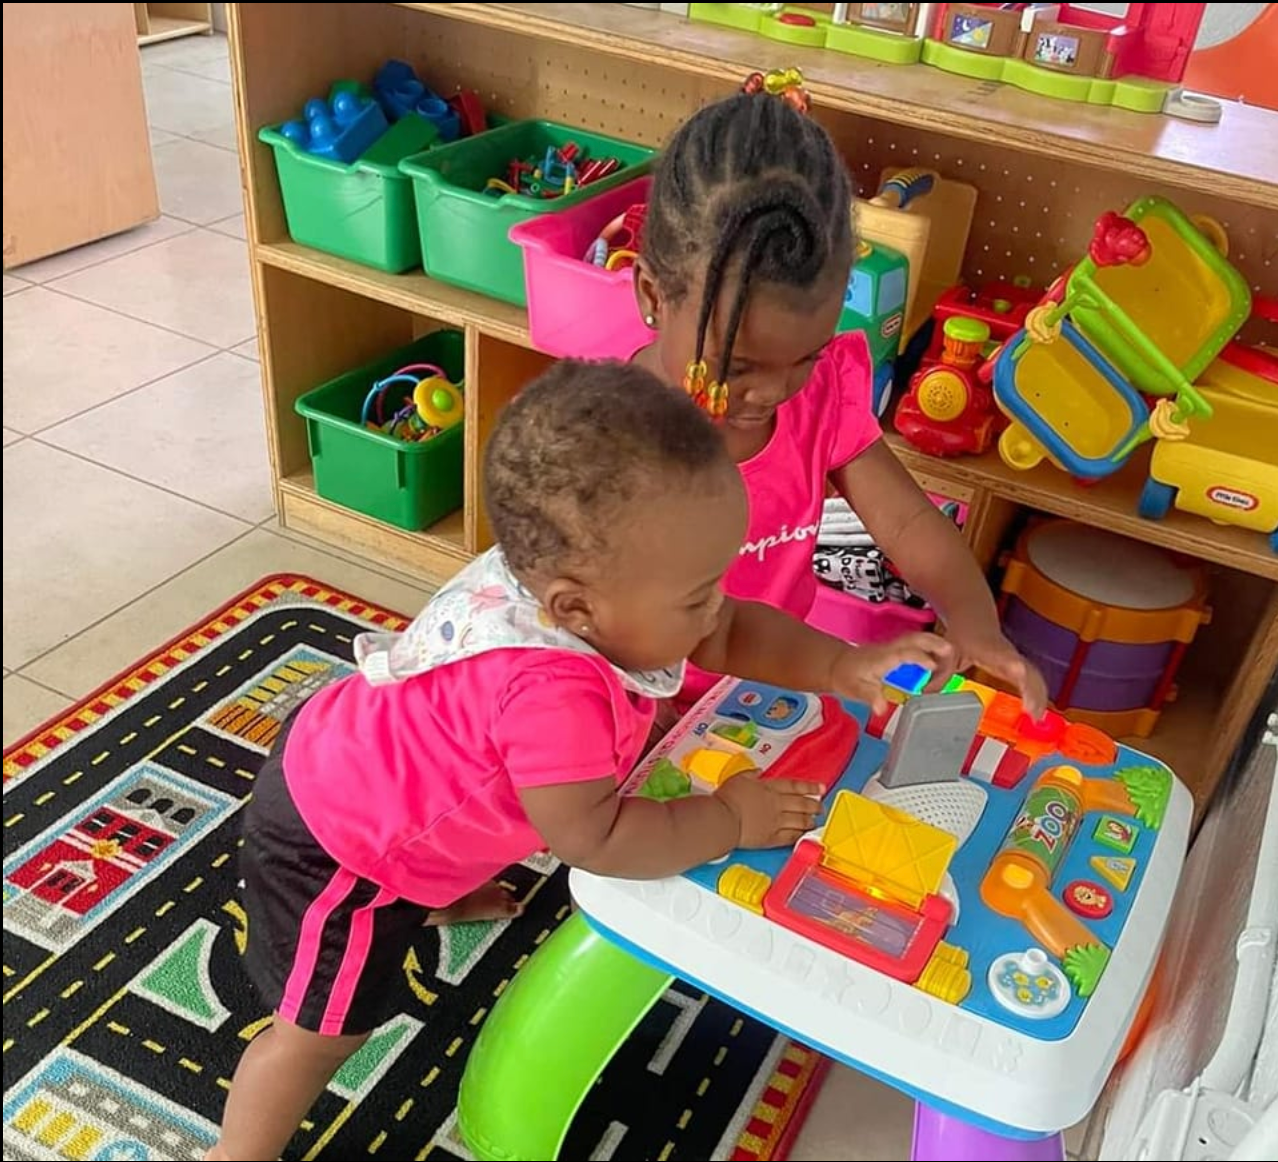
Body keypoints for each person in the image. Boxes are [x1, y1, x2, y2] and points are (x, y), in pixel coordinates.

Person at [207, 360, 953, 1160]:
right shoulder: (553, 690)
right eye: (696, 597)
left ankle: (430, 892)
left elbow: (734, 630)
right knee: (324, 1028)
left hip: (373, 761)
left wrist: (844, 666)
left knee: (479, 805)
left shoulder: (589, 580)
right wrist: (726, 819)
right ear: (574, 610)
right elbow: (590, 838)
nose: (715, 608)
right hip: (341, 844)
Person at [630, 81, 1047, 716]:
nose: (773, 392)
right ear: (654, 298)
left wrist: (972, 621)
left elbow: (908, 524)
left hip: (773, 685)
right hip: (633, 705)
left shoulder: (819, 398)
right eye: (737, 366)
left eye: (806, 356)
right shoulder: (608, 437)